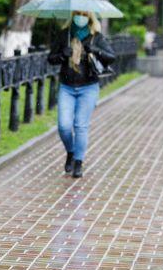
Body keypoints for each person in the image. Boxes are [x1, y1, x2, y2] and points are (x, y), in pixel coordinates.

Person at [47, 11, 115, 178]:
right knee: (63, 126)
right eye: (78, 14)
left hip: (88, 87)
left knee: (80, 125)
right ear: (73, 16)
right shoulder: (65, 34)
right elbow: (51, 58)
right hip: (67, 86)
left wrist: (96, 50)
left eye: (84, 14)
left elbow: (111, 57)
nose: (81, 17)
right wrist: (62, 54)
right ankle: (71, 151)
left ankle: (78, 162)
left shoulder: (95, 36)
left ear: (89, 17)